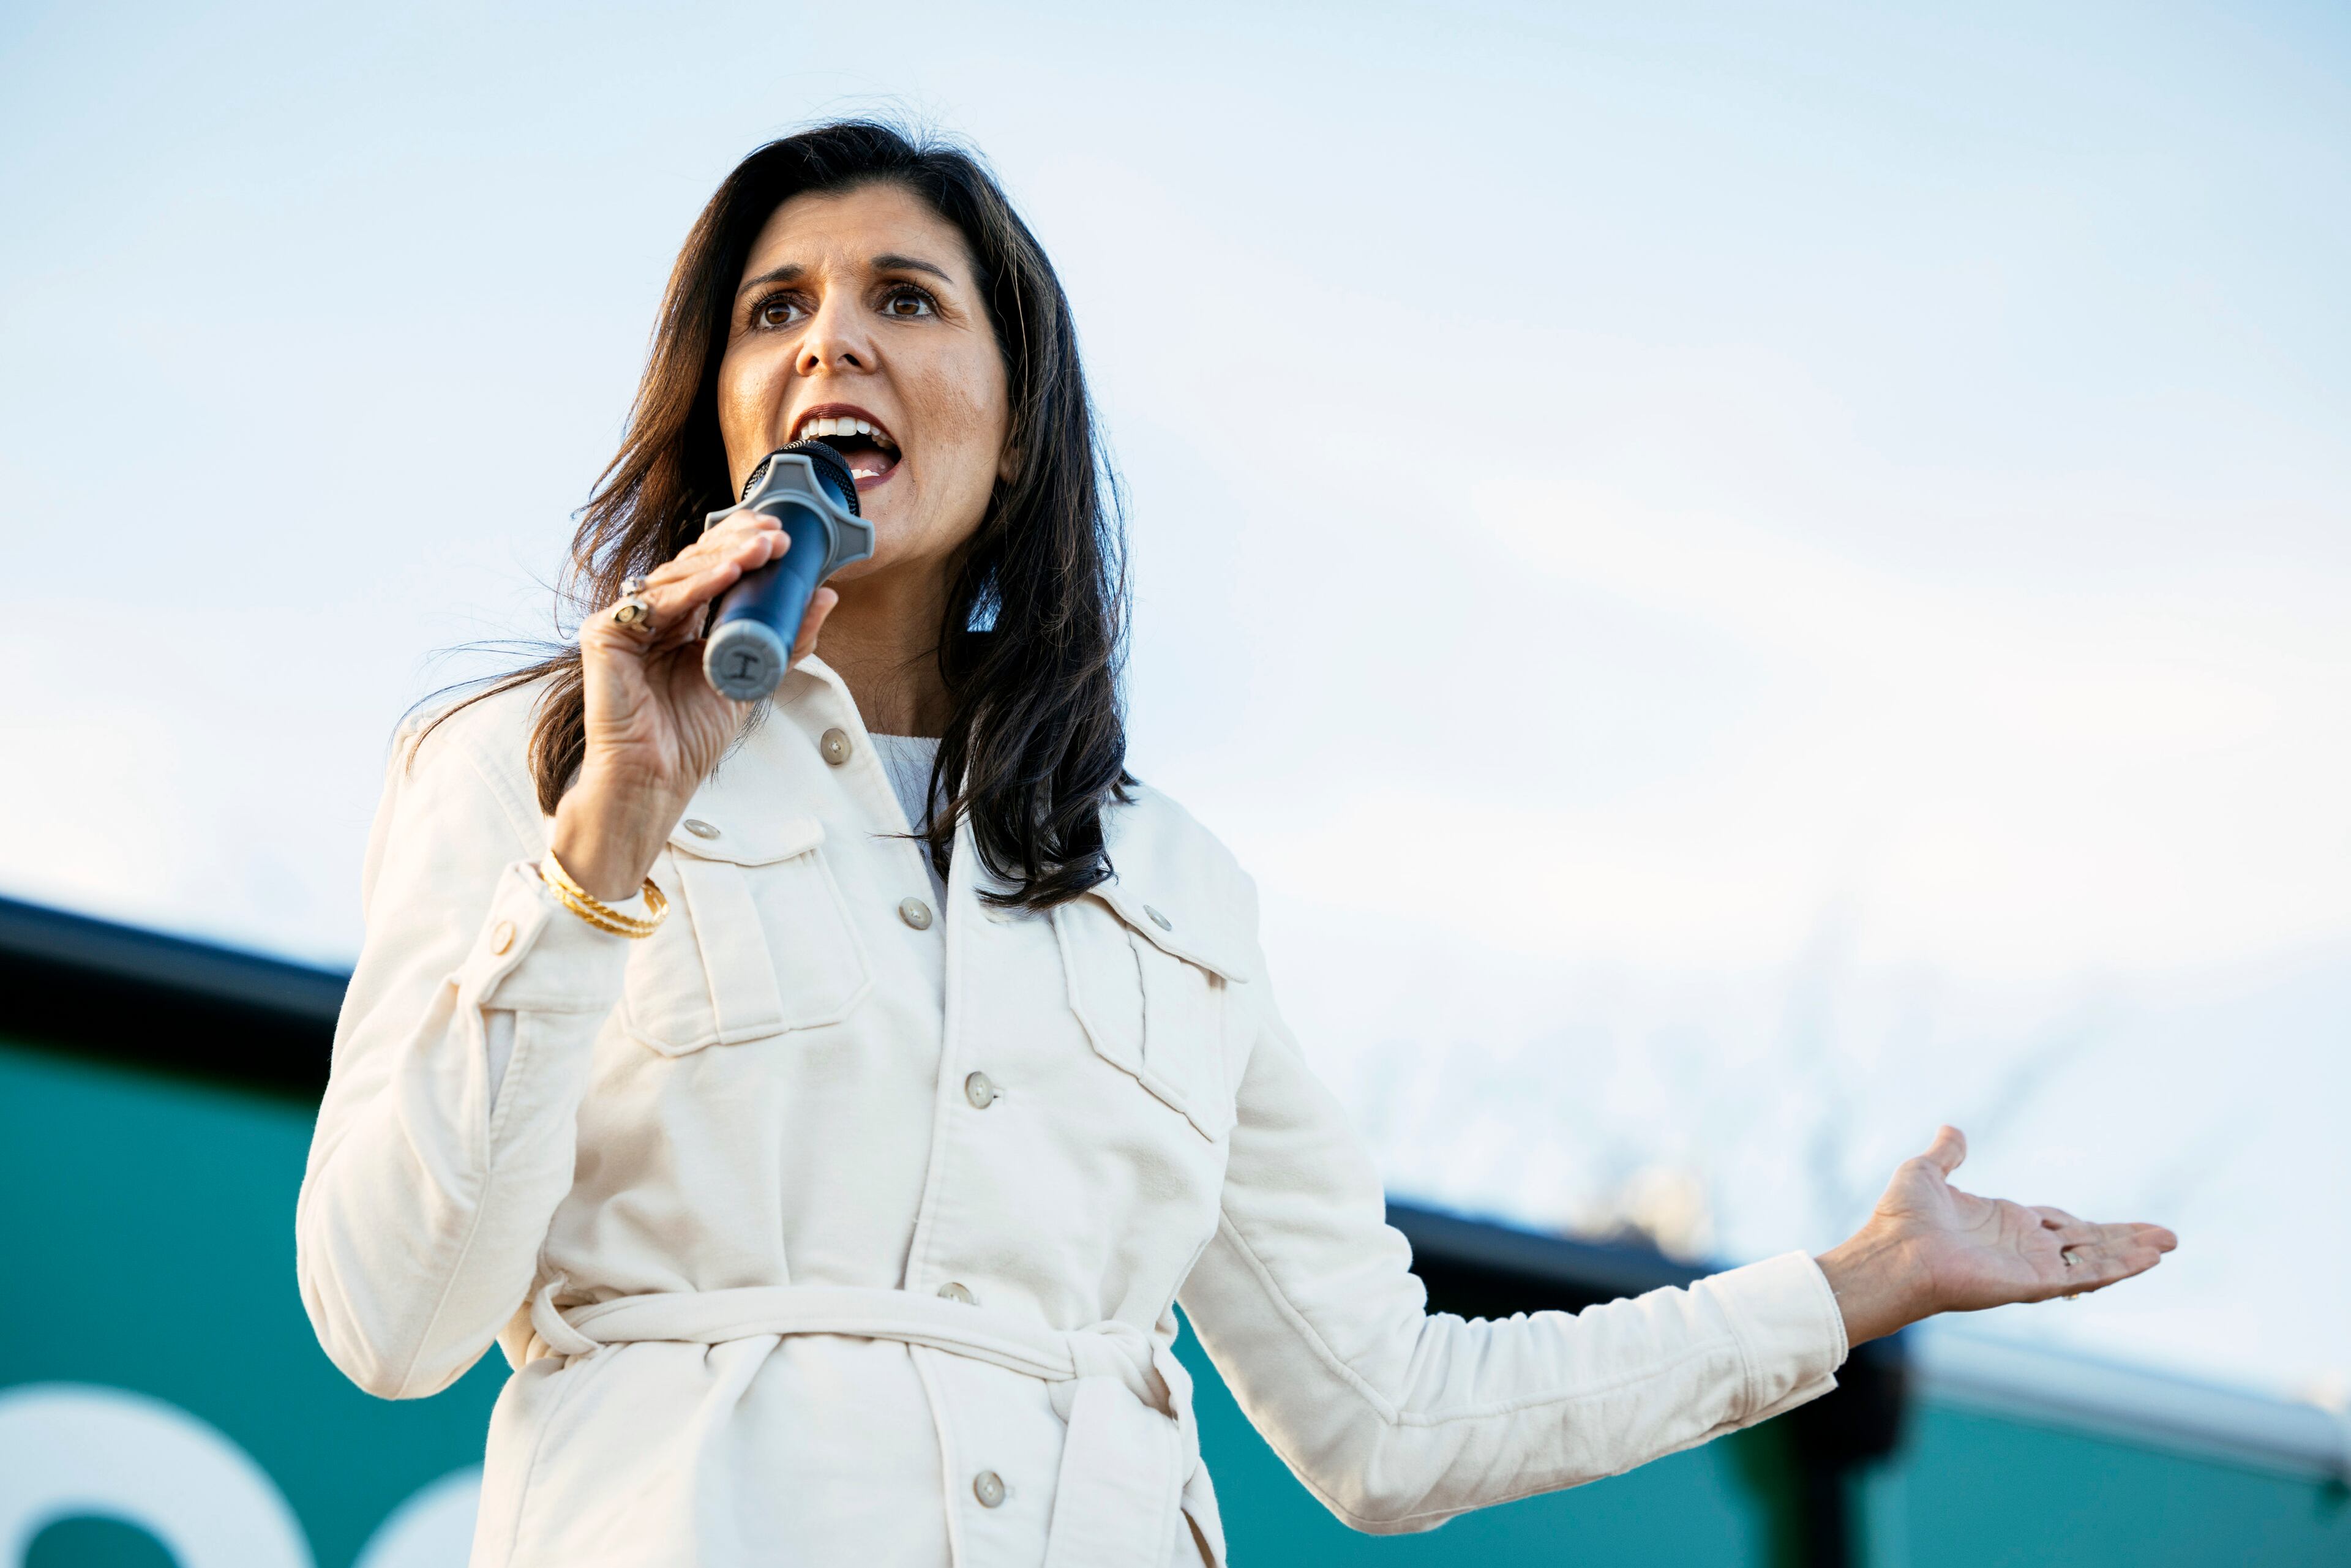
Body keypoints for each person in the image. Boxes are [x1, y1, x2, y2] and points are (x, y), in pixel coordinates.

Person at [295, 121, 2175, 1568]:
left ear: (1016, 432)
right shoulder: (528, 759)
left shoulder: (1166, 882)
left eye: (904, 298)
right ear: (720, 411)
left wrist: (1853, 1284)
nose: (828, 343)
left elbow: (1393, 1411)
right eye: (773, 310)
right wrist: (611, 828)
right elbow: (392, 1319)